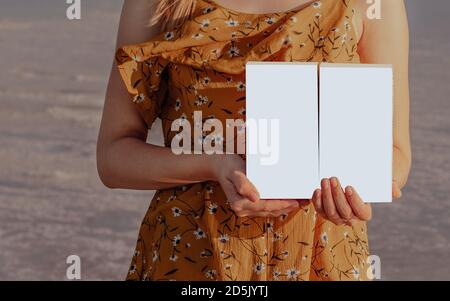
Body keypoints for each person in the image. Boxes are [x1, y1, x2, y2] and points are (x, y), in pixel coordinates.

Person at [97, 0, 411, 280]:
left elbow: (396, 153)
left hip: (324, 254)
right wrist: (214, 164)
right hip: (191, 253)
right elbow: (113, 157)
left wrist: (355, 190)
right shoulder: (158, 3)